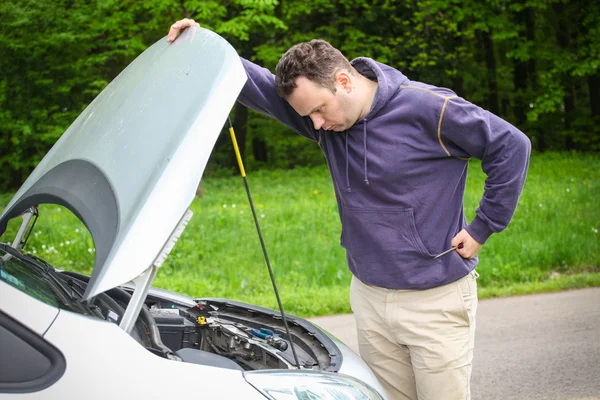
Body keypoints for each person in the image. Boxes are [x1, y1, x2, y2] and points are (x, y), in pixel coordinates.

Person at [168, 19, 531, 400]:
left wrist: (482, 227)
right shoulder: (326, 122)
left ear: (344, 80)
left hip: (434, 300)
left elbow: (511, 146)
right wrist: (203, 43)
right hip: (370, 297)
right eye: (308, 116)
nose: (317, 125)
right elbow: (253, 83)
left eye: (319, 110)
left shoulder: (428, 108)